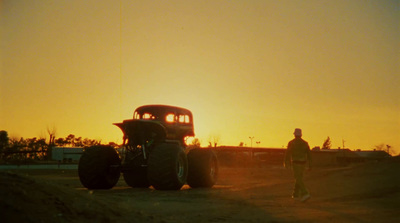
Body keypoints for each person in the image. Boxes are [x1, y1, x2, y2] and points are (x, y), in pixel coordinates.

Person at [284, 128, 312, 202]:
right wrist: (310, 165)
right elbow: (309, 154)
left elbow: (288, 153)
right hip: (303, 163)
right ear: (301, 134)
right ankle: (295, 194)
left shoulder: (291, 143)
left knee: (298, 178)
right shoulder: (305, 143)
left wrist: (286, 162)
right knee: (299, 178)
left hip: (295, 162)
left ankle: (305, 193)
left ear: (294, 134)